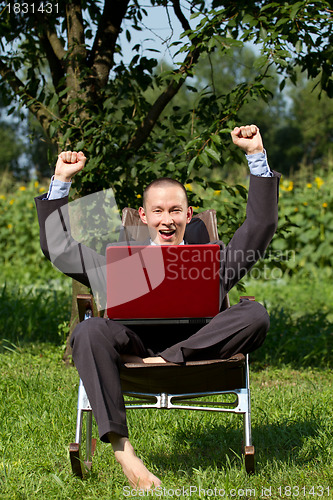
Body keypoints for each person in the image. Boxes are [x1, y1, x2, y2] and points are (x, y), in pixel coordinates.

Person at [35, 125, 280, 490]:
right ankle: (124, 453)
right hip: (135, 348)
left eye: (176, 210)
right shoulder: (121, 263)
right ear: (144, 216)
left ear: (189, 214)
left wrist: (255, 155)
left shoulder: (210, 262)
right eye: (159, 211)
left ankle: (171, 356)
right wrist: (61, 180)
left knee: (255, 313)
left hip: (199, 347)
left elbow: (260, 226)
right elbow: (58, 249)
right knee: (88, 329)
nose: (168, 219)